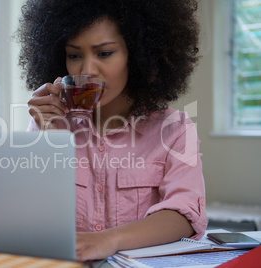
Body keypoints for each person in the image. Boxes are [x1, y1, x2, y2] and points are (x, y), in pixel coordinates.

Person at [17, 0, 207, 261]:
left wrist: (107, 240)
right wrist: (43, 139)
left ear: (139, 55)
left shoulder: (175, 130)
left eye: (104, 53)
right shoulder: (51, 124)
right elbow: (23, 213)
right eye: (74, 55)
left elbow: (184, 214)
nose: (87, 70)